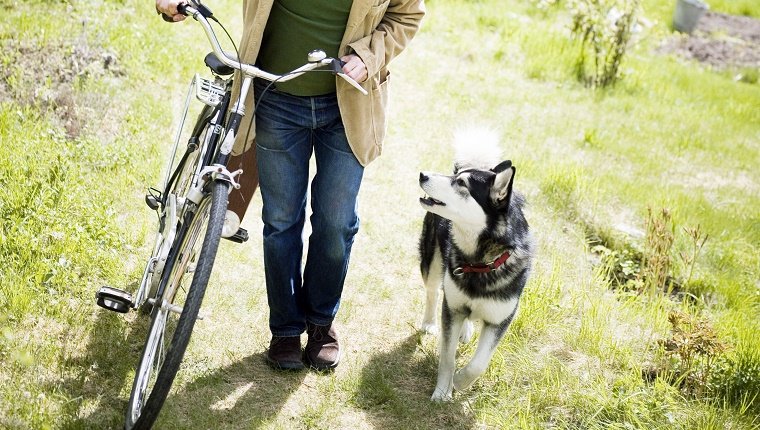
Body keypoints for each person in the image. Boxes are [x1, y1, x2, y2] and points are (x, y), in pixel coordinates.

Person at [155, 0, 425, 371]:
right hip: (276, 98)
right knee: (281, 220)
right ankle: (284, 329)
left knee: (336, 221)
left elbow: (407, 14)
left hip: (348, 103)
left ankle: (320, 324)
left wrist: (369, 56)